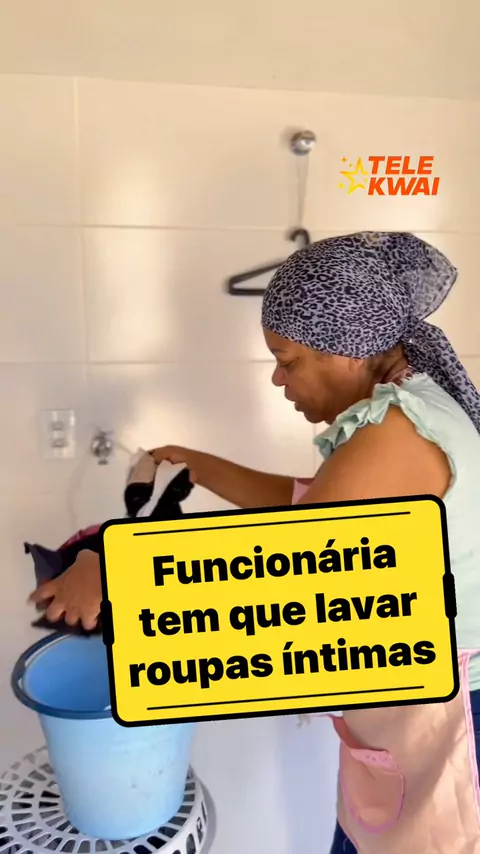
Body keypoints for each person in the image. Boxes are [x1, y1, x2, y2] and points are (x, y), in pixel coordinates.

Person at [30, 231, 480, 853]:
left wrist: (109, 568)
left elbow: (278, 570)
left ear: (346, 352)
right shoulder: (407, 411)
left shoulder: (396, 434)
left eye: (288, 360)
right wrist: (198, 465)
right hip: (416, 712)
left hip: (451, 718)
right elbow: (310, 507)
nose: (276, 378)